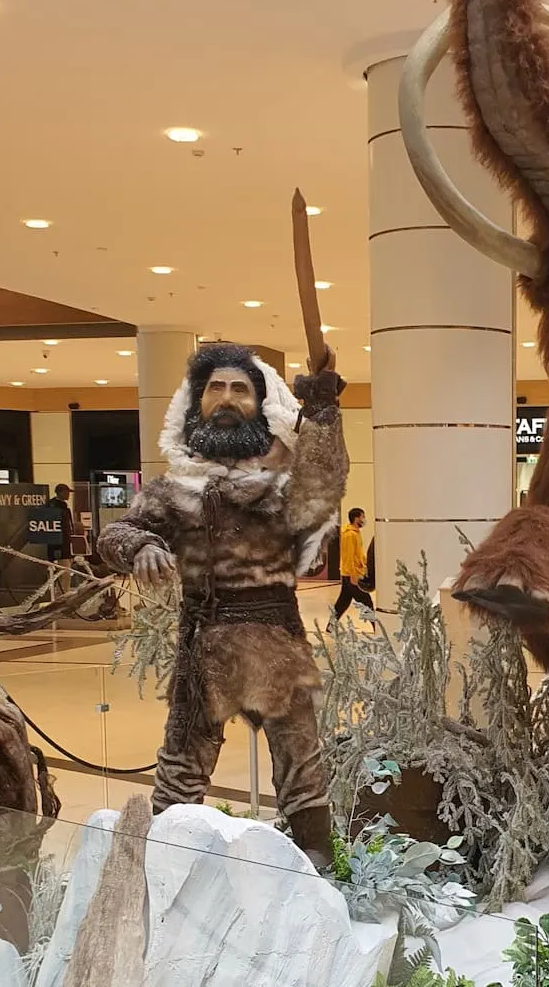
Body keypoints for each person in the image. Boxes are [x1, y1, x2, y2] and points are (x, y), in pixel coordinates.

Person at [98, 342, 347, 866]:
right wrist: (140, 545)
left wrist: (323, 409)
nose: (227, 397)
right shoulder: (172, 491)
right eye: (216, 387)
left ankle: (318, 874)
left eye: (240, 388)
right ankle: (165, 869)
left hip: (276, 640)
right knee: (180, 772)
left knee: (302, 769)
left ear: (259, 404)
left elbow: (323, 484)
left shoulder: (282, 487)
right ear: (197, 402)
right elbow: (116, 532)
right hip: (202, 645)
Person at [332, 507, 373, 623]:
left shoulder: (356, 533)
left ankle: (330, 626)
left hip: (351, 573)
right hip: (351, 574)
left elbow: (358, 553)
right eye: (362, 517)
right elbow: (348, 556)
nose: (364, 519)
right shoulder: (350, 535)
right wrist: (353, 575)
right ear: (356, 518)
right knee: (366, 602)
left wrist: (365, 564)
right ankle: (377, 626)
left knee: (343, 602)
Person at [46, 484, 75, 595]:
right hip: (59, 547)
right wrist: (56, 547)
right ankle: (62, 596)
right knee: (64, 574)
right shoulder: (53, 507)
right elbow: (54, 529)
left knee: (66, 574)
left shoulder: (64, 508)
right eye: (67, 492)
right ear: (61, 492)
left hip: (66, 545)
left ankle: (63, 594)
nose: (68, 495)